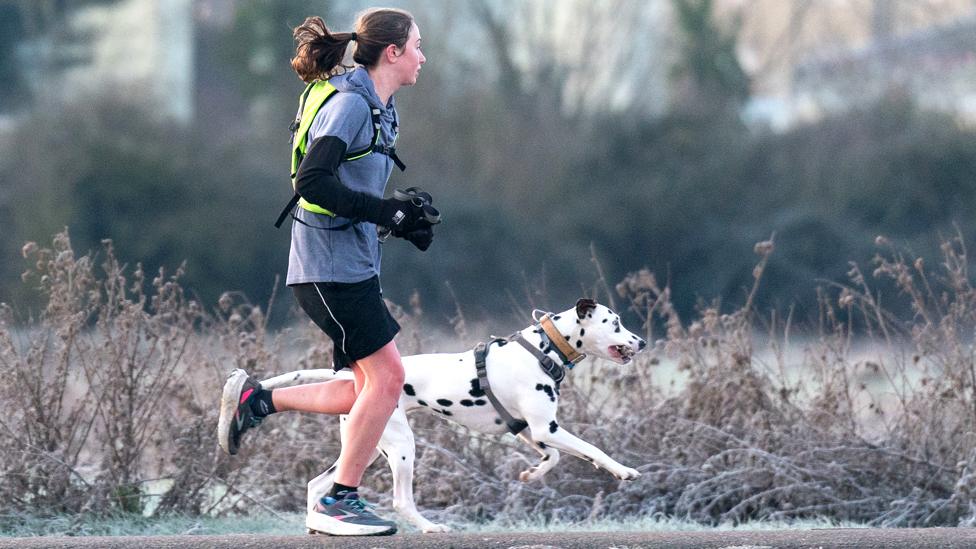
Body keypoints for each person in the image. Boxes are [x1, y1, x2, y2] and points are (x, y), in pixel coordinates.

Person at [216, 8, 430, 537]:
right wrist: (384, 211)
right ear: (393, 53)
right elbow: (312, 180)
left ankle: (257, 399)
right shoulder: (353, 105)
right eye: (418, 46)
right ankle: (338, 499)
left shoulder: (383, 108)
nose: (424, 57)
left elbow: (352, 189)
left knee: (363, 389)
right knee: (389, 379)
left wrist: (398, 218)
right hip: (329, 270)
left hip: (349, 266)